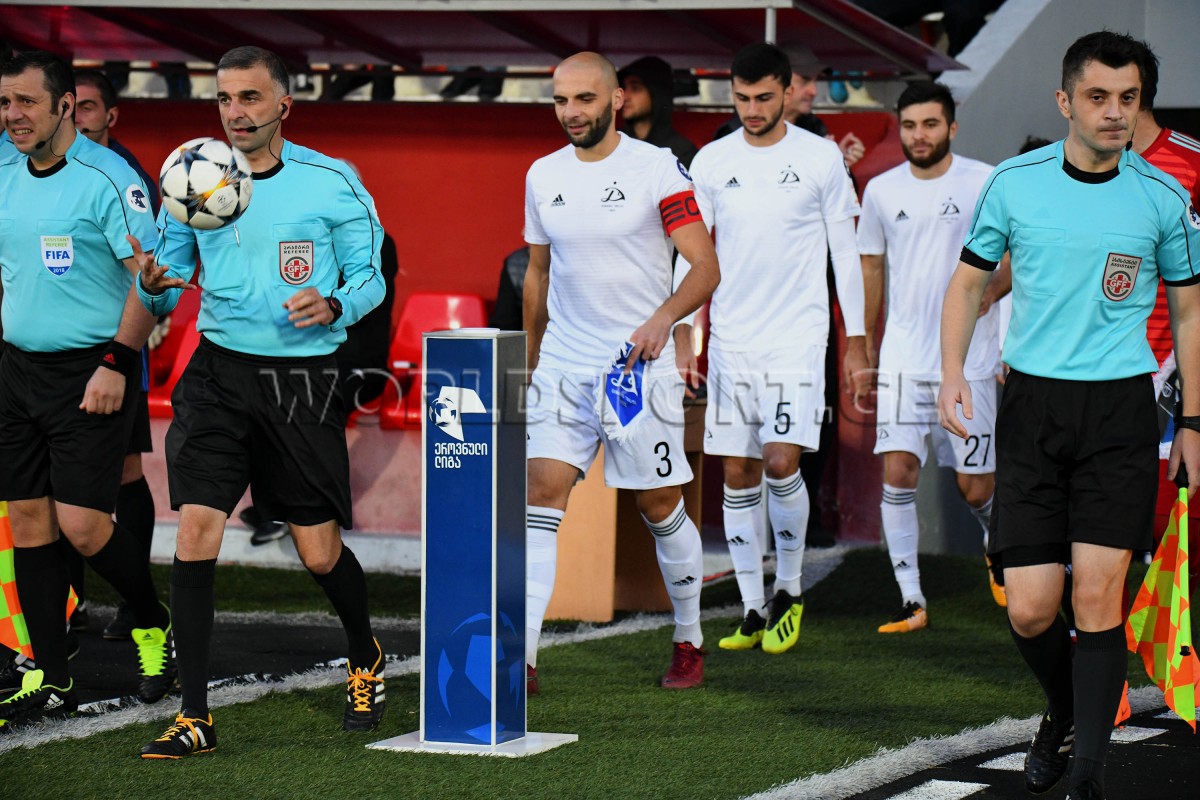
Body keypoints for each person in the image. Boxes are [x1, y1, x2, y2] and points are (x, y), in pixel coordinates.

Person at [938, 31, 1200, 800]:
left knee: (1096, 599)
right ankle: (1061, 710)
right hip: (1033, 409)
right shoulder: (1014, 183)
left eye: (1128, 98)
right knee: (1029, 610)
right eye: (1098, 97)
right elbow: (968, 284)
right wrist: (952, 372)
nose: (1115, 112)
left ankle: (1088, 773)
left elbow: (1190, 312)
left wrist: (1192, 422)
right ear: (1065, 101)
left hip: (1120, 414)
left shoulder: (1162, 196)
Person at [132, 46, 387, 758]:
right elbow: (169, 275)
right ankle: (195, 716)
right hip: (217, 374)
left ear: (284, 104)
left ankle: (364, 654)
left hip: (299, 381)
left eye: (249, 97)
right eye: (224, 98)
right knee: (194, 532)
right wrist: (154, 282)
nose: (234, 112)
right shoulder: (193, 175)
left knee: (317, 550)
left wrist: (334, 303)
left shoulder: (332, 182)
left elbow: (371, 278)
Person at [523, 52, 719, 692]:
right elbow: (537, 274)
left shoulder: (656, 168)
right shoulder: (542, 174)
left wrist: (665, 319)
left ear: (616, 101)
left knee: (659, 505)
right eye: (560, 100)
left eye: (584, 99)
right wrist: (531, 361)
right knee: (539, 495)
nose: (570, 112)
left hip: (636, 369)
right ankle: (521, 659)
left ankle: (688, 637)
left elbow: (705, 266)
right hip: (564, 364)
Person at [0, 50, 175, 730]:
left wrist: (116, 361)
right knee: (28, 520)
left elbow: (152, 281)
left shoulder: (109, 179)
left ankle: (153, 622)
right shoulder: (5, 168)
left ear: (65, 106)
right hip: (17, 370)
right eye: (5, 103)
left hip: (92, 371)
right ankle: (51, 675)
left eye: (26, 103)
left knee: (82, 525)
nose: (13, 116)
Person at [681, 43, 865, 654]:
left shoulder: (819, 157)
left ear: (788, 91)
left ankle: (788, 588)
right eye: (742, 98)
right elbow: (690, 253)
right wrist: (684, 329)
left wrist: (857, 338)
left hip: (796, 339)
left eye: (764, 97)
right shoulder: (712, 161)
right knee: (737, 471)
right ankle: (752, 607)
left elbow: (846, 252)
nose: (752, 109)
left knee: (782, 461)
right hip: (732, 342)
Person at [858, 81, 1010, 633]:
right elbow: (871, 265)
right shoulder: (880, 190)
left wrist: (992, 294)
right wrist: (861, 342)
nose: (918, 135)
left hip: (969, 361)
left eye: (930, 124)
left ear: (952, 126)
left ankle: (998, 545)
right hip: (903, 358)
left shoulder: (986, 181)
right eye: (909, 125)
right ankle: (911, 600)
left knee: (976, 487)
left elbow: (1017, 255)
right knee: (897, 472)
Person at [60, 68, 160, 640]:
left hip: (114, 355)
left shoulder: (125, 178)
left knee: (125, 473)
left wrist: (126, 350)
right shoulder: (38, 168)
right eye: (71, 107)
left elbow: (150, 278)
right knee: (49, 487)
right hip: (48, 357)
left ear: (110, 116)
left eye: (89, 108)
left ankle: (134, 603)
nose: (78, 118)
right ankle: (68, 603)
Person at [714, 44, 865, 168]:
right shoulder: (732, 134)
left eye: (816, 80)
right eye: (805, 80)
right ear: (782, 82)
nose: (814, 91)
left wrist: (839, 166)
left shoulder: (813, 126)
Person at [618, 55, 698, 168]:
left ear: (657, 95)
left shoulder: (682, 153)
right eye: (624, 87)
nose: (624, 97)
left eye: (635, 88)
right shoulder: (613, 144)